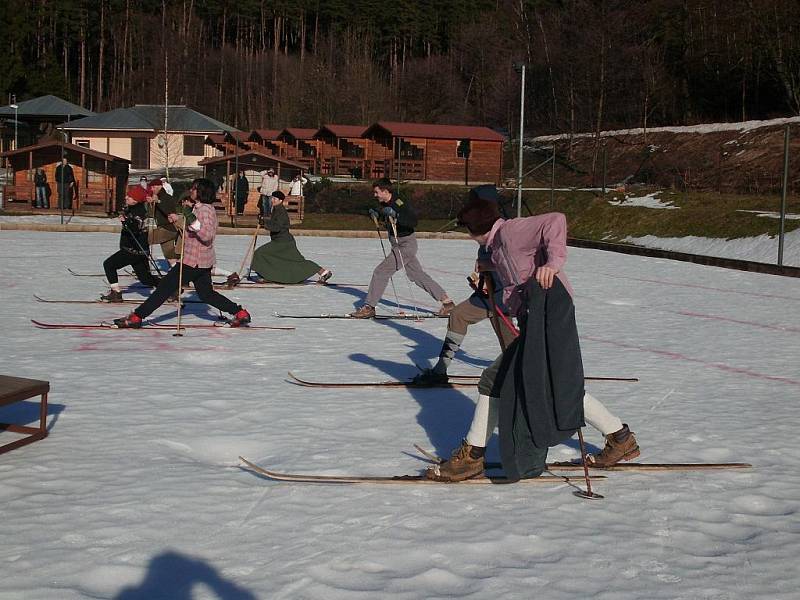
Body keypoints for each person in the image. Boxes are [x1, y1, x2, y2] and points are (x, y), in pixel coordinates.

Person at [427, 196, 639, 482]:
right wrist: (486, 274)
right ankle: (620, 437)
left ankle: (472, 457)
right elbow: (513, 277)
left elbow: (555, 220)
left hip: (550, 313)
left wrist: (552, 264)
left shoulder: (510, 232)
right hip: (536, 315)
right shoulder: (495, 246)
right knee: (554, 383)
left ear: (475, 228)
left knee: (501, 379)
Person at [113, 178, 251, 329]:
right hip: (200, 260)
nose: (191, 190)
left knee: (164, 288)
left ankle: (137, 317)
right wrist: (180, 219)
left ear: (202, 192)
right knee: (206, 295)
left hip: (194, 261)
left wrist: (190, 219)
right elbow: (194, 228)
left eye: (194, 188)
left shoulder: (205, 210)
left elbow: (206, 235)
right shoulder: (199, 208)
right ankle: (240, 313)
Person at [350, 178, 454, 318]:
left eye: (377, 192)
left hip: (405, 245)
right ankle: (448, 303)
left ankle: (369, 307)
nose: (375, 195)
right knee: (417, 275)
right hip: (398, 244)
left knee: (381, 272)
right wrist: (375, 214)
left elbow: (412, 221)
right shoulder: (384, 203)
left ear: (385, 191)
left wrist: (396, 215)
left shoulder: (400, 203)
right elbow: (382, 212)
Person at [230, 190, 332, 285]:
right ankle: (268, 276)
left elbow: (277, 227)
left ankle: (324, 272)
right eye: (272, 198)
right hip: (281, 241)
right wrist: (264, 220)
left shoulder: (281, 211)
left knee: (261, 253)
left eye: (275, 199)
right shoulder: (276, 209)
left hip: (283, 243)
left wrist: (265, 224)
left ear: (280, 200)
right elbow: (274, 222)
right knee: (286, 260)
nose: (272, 200)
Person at [100, 185, 161, 302]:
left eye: (130, 196)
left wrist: (126, 222)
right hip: (140, 249)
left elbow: (135, 227)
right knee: (145, 278)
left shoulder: (139, 211)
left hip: (132, 249)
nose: (127, 197)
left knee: (109, 265)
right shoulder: (134, 209)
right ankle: (169, 287)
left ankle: (116, 293)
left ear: (136, 200)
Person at [147, 177, 180, 268]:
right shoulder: (157, 197)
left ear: (160, 186)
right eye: (151, 187)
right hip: (165, 228)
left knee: (144, 239)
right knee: (169, 255)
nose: (152, 189)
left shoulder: (167, 197)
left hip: (168, 228)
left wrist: (158, 202)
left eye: (153, 187)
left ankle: (142, 265)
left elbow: (169, 212)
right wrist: (151, 203)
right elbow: (151, 214)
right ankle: (175, 270)